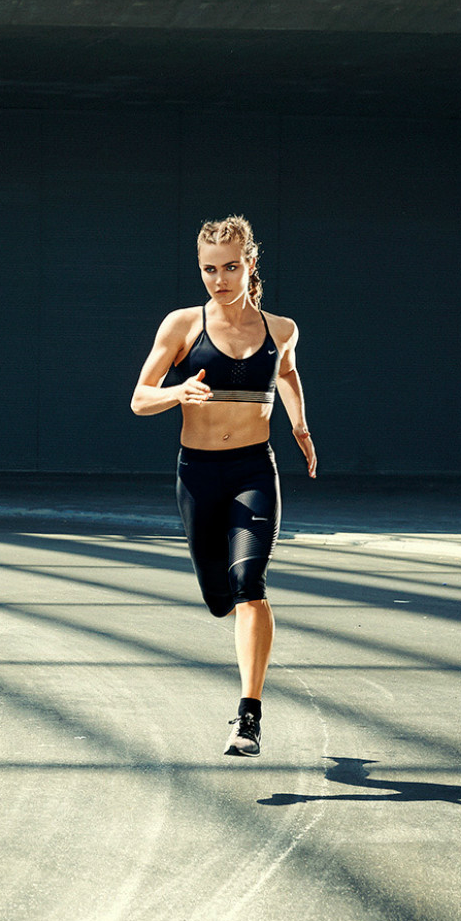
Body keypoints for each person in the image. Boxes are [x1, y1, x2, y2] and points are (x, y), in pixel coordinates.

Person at [129, 215, 316, 757]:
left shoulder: (281, 329)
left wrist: (300, 426)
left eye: (231, 267)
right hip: (200, 475)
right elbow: (140, 398)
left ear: (250, 265)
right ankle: (229, 613)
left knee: (249, 583)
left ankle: (249, 715)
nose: (220, 279)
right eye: (210, 269)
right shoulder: (182, 326)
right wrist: (177, 392)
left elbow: (287, 374)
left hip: (254, 470)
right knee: (219, 597)